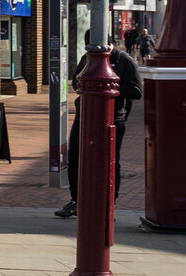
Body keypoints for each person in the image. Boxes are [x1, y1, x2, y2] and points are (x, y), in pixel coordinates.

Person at [55, 44, 142, 219]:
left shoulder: (124, 60)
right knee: (76, 158)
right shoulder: (87, 58)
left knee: (110, 160)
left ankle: (109, 204)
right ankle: (76, 201)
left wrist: (108, 87)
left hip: (113, 118)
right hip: (84, 115)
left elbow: (136, 91)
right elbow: (76, 81)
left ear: (110, 46)